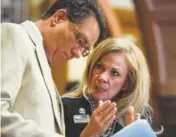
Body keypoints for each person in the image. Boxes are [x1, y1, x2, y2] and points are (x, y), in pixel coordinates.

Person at [1, 0, 106, 137]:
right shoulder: (16, 36)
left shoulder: (43, 63)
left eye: (85, 50)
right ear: (59, 18)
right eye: (80, 41)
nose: (78, 53)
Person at [62, 37, 153, 137]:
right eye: (100, 67)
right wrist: (90, 134)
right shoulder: (65, 106)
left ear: (127, 84)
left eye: (114, 73)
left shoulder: (138, 116)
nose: (102, 77)